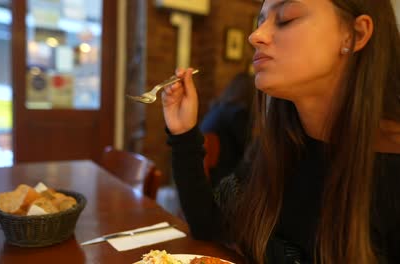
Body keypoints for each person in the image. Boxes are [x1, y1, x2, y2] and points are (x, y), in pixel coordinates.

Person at [161, 0, 400, 263]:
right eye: (261, 22)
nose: (255, 36)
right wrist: (183, 133)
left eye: (286, 19)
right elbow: (210, 225)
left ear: (356, 35)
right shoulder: (278, 145)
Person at [199, 72, 255, 187]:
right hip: (226, 179)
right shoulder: (237, 113)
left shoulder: (217, 109)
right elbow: (248, 148)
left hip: (207, 178)